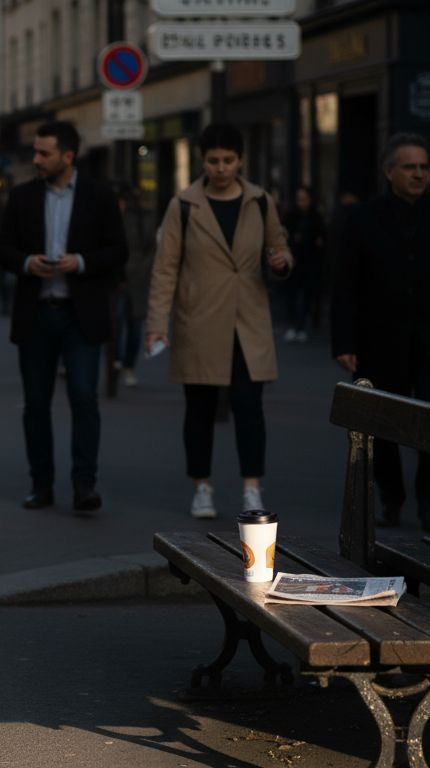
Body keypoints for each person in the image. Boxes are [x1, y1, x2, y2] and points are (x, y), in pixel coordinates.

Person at [331, 133, 430, 533]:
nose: (419, 174)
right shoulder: (362, 218)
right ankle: (392, 498)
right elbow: (345, 284)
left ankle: (429, 500)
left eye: (424, 167)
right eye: (410, 167)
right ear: (389, 171)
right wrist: (344, 342)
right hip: (379, 340)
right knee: (382, 426)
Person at [145, 123, 293, 520]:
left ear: (240, 160)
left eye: (228, 160)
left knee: (249, 405)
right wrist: (157, 322)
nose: (221, 168)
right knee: (200, 408)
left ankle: (251, 489)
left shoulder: (259, 201)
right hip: (200, 318)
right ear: (202, 160)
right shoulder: (183, 205)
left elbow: (278, 245)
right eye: (213, 160)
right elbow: (165, 268)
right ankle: (202, 486)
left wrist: (282, 261)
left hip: (248, 319)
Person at [0, 121, 128, 513]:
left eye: (44, 153)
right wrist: (24, 262)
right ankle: (41, 485)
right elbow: (0, 248)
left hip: (80, 315)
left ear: (67, 157)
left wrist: (82, 262)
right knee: (36, 404)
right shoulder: (22, 197)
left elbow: (118, 251)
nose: (36, 159)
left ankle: (84, 485)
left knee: (84, 399)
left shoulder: (98, 196)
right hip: (36, 314)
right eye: (36, 152)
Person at [113, 183, 151, 388]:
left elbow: (150, 249)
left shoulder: (140, 221)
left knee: (134, 326)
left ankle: (128, 365)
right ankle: (117, 361)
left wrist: (142, 269)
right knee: (116, 322)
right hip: (115, 280)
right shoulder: (108, 221)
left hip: (136, 280)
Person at [280, 186, 326, 342]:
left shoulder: (316, 217)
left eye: (304, 199)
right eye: (299, 199)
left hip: (309, 263)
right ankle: (294, 325)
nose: (302, 202)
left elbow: (321, 240)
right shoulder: (291, 217)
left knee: (306, 296)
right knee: (292, 295)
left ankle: (301, 325)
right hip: (293, 262)